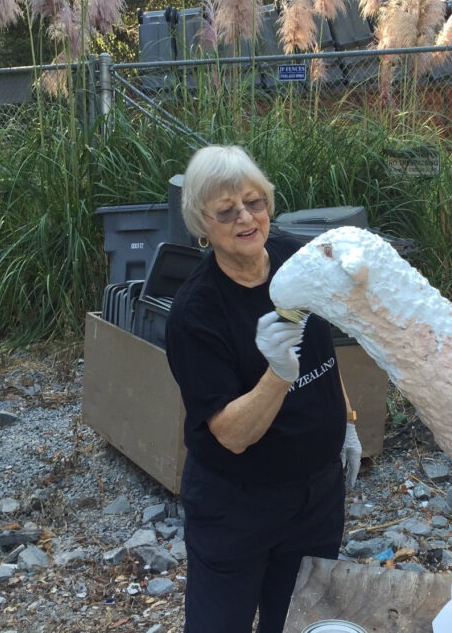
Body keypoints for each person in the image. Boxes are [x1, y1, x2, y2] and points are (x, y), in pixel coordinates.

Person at [164, 144, 362, 633]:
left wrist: (347, 422)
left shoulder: (295, 259)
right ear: (201, 223)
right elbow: (232, 435)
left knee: (298, 621)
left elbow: (323, 352)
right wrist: (277, 374)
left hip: (317, 497)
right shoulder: (196, 313)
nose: (246, 218)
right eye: (226, 211)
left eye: (254, 202)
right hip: (237, 508)